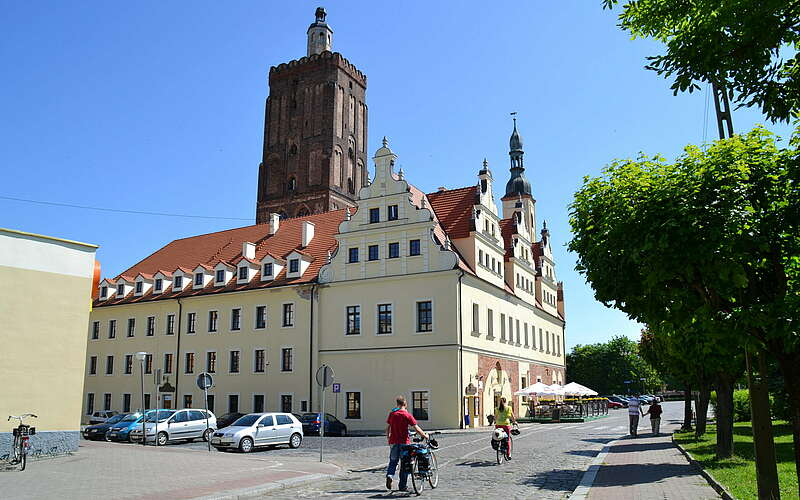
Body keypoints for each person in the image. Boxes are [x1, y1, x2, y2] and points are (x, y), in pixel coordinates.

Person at [385, 395, 428, 492]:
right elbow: (416, 428)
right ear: (405, 404)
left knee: (393, 462)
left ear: (397, 404)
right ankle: (402, 486)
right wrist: (425, 435)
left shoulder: (392, 414)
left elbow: (388, 428)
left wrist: (388, 437)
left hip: (394, 442)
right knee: (405, 464)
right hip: (404, 443)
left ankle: (390, 475)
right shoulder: (407, 415)